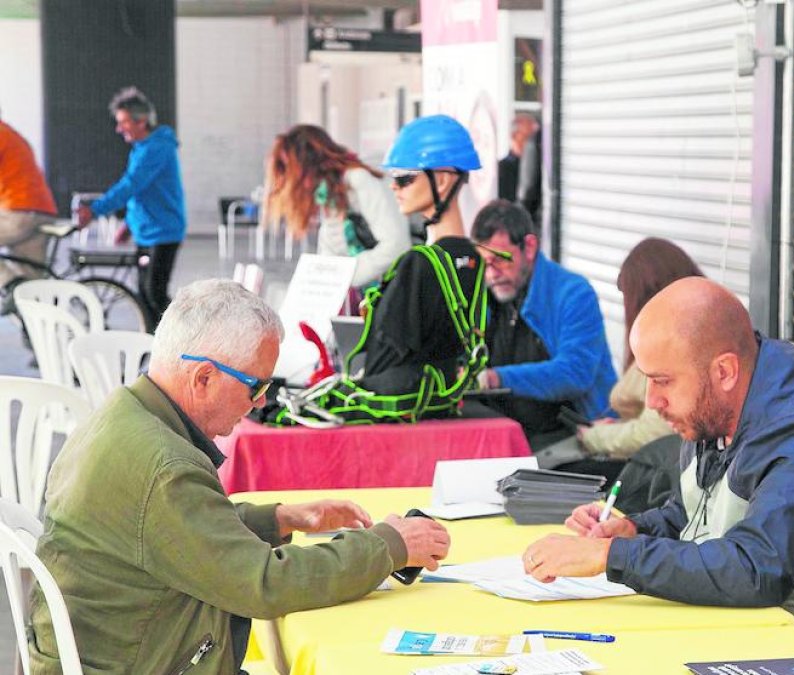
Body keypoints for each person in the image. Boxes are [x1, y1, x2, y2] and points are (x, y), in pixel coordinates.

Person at [27, 279, 450, 674]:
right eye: (256, 386)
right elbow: (265, 584)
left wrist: (280, 519)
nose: (262, 401)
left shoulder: (123, 413)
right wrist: (390, 545)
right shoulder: (166, 467)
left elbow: (173, 532)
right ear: (204, 377)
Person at [521, 278, 794, 675]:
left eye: (663, 380)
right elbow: (692, 517)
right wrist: (631, 529)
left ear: (725, 372)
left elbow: (755, 570)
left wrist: (610, 557)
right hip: (762, 644)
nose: (652, 401)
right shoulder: (715, 411)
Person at [271, 114, 491, 425]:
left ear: (442, 180)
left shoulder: (420, 266)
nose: (394, 188)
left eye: (404, 179)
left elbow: (388, 358)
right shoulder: (469, 261)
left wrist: (339, 280)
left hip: (403, 401)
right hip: (428, 398)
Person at [547, 238, 703, 487]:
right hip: (653, 460)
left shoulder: (671, 341)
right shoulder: (681, 330)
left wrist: (597, 436)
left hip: (657, 470)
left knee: (555, 473)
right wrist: (616, 427)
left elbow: (654, 433)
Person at [471, 199, 617, 450]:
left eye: (501, 260)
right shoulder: (486, 295)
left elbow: (575, 373)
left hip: (574, 435)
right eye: (484, 263)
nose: (492, 273)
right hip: (511, 433)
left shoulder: (573, 293)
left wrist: (497, 378)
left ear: (529, 247)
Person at [77, 87, 186, 330]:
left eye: (123, 122)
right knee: (144, 295)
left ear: (142, 120)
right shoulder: (142, 148)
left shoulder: (155, 148)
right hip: (147, 231)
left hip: (163, 231)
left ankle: (186, 336)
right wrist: (128, 223)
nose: (119, 129)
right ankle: (152, 345)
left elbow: (130, 185)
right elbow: (142, 192)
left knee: (154, 293)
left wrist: (94, 210)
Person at [263, 124, 409, 288]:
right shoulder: (329, 193)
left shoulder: (359, 180)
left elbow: (396, 246)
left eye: (290, 168)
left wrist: (340, 279)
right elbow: (331, 250)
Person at [0, 112, 57, 294]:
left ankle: (9, 282)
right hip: (42, 213)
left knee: (20, 287)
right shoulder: (12, 135)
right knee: (33, 289)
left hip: (19, 213)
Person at [496, 113, 541, 221]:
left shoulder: (541, 168)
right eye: (529, 138)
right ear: (515, 136)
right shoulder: (502, 169)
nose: (534, 145)